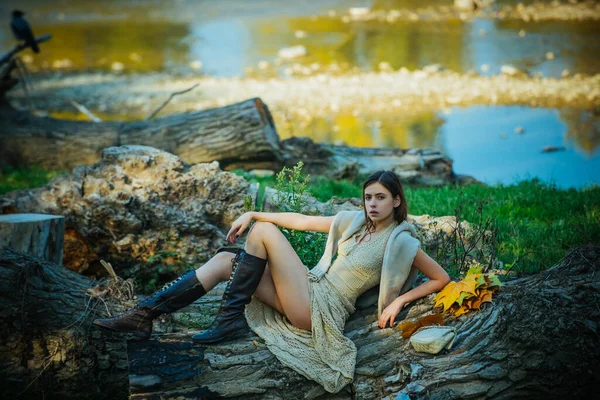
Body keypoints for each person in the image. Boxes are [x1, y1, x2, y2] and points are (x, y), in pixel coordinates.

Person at [94, 170, 450, 393]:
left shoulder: (401, 241)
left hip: (322, 309)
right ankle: (145, 313)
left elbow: (441, 277)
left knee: (263, 232)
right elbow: (301, 220)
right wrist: (254, 211)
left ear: (396, 200)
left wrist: (400, 301)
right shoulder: (353, 221)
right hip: (309, 289)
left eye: (380, 198)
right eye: (368, 196)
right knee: (224, 260)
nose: (372, 203)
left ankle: (229, 319)